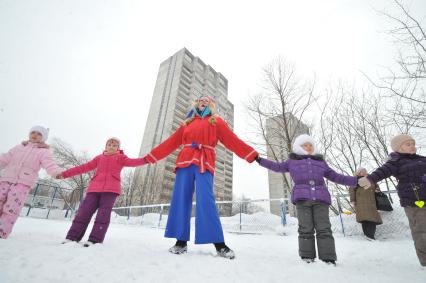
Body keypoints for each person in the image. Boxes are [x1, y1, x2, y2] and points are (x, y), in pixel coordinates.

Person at [143, 95, 258, 259]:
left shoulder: (216, 121)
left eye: (207, 100)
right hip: (185, 162)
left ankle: (219, 244)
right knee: (180, 199)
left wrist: (252, 155)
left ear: (211, 105)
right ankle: (181, 241)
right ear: (196, 104)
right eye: (200, 100)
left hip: (205, 161)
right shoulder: (187, 123)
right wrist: (151, 156)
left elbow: (232, 140)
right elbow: (171, 142)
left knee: (206, 200)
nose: (203, 101)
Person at [256, 134, 358, 265]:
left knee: (324, 228)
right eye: (305, 145)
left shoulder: (320, 162)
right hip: (302, 199)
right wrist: (259, 160)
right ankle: (307, 257)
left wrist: (356, 181)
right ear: (299, 147)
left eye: (310, 145)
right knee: (305, 228)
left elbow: (336, 176)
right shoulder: (292, 162)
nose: (309, 147)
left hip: (321, 199)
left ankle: (328, 258)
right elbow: (277, 167)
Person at [58, 137, 148, 246]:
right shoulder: (99, 158)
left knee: (103, 215)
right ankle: (72, 237)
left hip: (111, 190)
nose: (111, 146)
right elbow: (83, 167)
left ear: (118, 148)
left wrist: (147, 159)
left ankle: (95, 240)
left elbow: (133, 162)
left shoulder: (121, 158)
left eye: (114, 145)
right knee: (83, 213)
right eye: (109, 144)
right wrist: (64, 174)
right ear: (106, 146)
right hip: (94, 189)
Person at [358, 134, 426, 267]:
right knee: (421, 231)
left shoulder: (422, 160)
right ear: (398, 148)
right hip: (413, 201)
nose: (412, 146)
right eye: (408, 144)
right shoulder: (396, 161)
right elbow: (382, 171)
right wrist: (369, 179)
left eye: (413, 143)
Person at [0, 126, 61, 238]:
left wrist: (56, 173)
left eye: (39, 134)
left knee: (11, 207)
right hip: (6, 179)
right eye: (33, 132)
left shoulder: (44, 152)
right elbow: (4, 159)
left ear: (43, 138)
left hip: (23, 183)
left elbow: (49, 164)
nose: (35, 135)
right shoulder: (18, 147)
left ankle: (2, 231)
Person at [349, 168, 382, 240]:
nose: (365, 173)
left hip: (371, 201)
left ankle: (370, 236)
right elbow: (351, 190)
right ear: (359, 173)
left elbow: (376, 187)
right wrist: (353, 200)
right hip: (360, 202)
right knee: (364, 219)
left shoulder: (371, 178)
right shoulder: (355, 180)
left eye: (365, 171)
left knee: (372, 219)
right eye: (363, 172)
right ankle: (368, 236)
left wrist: (377, 190)